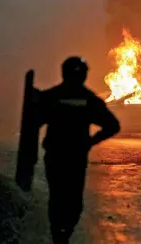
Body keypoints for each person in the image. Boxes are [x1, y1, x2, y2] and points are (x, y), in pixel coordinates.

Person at [36, 57, 120, 244]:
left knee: (57, 196)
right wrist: (90, 142)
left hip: (55, 156)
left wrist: (36, 100)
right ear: (84, 75)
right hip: (75, 157)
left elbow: (34, 121)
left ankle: (58, 235)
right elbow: (113, 125)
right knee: (73, 199)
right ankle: (63, 234)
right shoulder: (89, 100)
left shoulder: (52, 97)